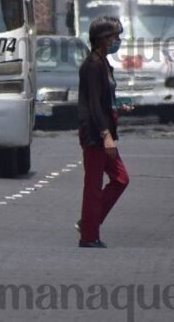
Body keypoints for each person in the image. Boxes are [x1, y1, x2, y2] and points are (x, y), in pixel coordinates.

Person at [76, 15, 130, 248]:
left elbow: (104, 99)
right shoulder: (93, 65)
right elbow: (93, 104)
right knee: (94, 185)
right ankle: (89, 236)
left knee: (120, 179)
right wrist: (105, 135)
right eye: (114, 37)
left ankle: (89, 222)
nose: (117, 41)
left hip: (104, 130)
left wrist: (118, 106)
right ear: (103, 39)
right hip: (96, 133)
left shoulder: (104, 63)